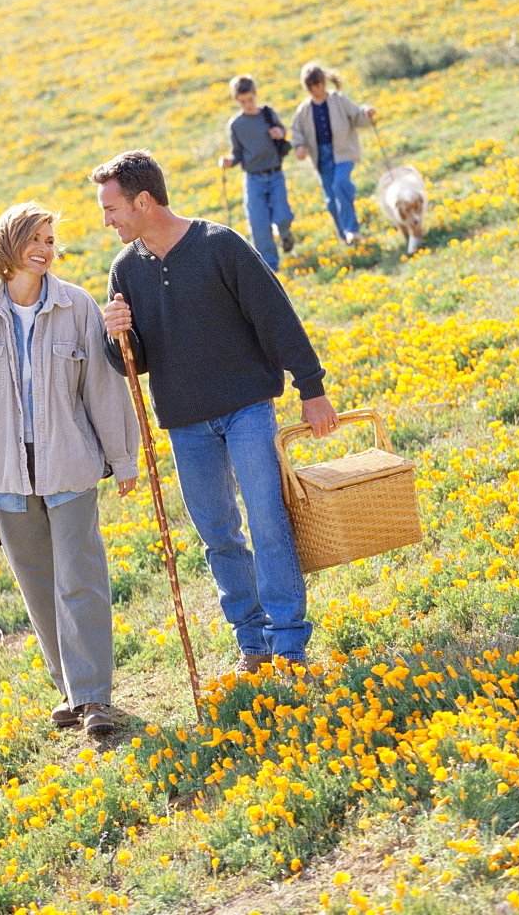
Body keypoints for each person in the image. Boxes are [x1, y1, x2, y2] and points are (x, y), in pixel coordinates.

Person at [91, 149, 339, 679]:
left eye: (111, 209)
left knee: (268, 521)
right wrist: (117, 336)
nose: (105, 220)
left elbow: (276, 317)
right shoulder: (124, 270)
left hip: (247, 409)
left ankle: (289, 645)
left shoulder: (218, 245)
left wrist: (311, 387)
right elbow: (135, 362)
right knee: (219, 535)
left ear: (142, 201)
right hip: (186, 423)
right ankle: (252, 641)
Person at [0, 202, 140, 735]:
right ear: (9, 247)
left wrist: (124, 457)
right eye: (35, 239)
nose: (46, 249)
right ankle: (70, 689)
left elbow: (103, 389)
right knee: (38, 586)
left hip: (70, 468)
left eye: (50, 239)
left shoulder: (77, 307)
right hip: (4, 477)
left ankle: (94, 700)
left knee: (81, 581)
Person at [291, 62, 376, 244]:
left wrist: (367, 112)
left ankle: (352, 229)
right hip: (321, 157)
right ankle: (344, 235)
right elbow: (297, 131)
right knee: (330, 200)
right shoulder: (304, 110)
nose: (317, 90)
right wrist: (299, 146)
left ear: (325, 82)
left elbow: (357, 116)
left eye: (319, 85)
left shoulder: (339, 100)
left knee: (341, 183)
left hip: (344, 151)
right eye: (312, 87)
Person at [218, 74, 294, 272]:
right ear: (236, 100)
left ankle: (285, 233)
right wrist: (229, 161)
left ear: (255, 94)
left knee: (283, 215)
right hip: (253, 179)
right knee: (259, 224)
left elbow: (282, 131)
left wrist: (280, 132)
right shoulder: (236, 125)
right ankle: (271, 267)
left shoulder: (268, 114)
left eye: (250, 99)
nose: (248, 104)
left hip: (275, 174)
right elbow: (237, 153)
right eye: (242, 101)